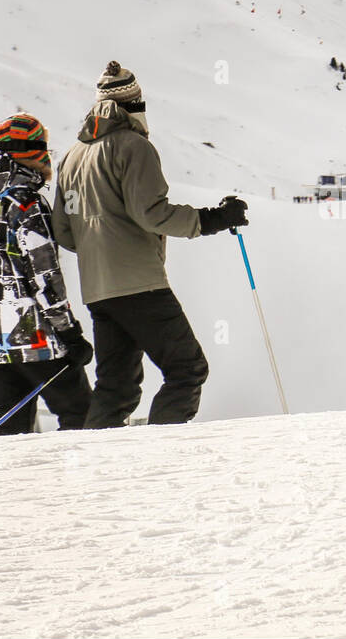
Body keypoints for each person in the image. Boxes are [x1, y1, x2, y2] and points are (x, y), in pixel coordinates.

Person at [52, 61, 247, 428]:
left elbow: (64, 233)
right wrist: (213, 219)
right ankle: (162, 455)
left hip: (97, 290)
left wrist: (100, 247)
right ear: (134, 105)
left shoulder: (71, 158)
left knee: (117, 387)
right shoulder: (134, 147)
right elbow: (151, 214)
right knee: (187, 368)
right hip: (140, 285)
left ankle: (96, 460)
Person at [0, 114, 94, 435]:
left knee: (7, 426)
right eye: (43, 147)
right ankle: (75, 482)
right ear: (29, 152)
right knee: (82, 415)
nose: (48, 158)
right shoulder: (28, 204)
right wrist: (71, 334)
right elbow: (45, 279)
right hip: (35, 337)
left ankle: (1, 483)